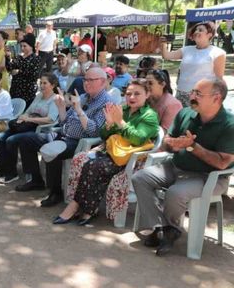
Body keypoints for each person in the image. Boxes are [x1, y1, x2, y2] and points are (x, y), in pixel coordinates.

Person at [132, 79, 234, 256]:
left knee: (175, 193)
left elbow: (222, 162)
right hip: (175, 167)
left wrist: (193, 147)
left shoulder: (229, 125)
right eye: (193, 92)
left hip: (209, 177)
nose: (192, 97)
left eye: (198, 94)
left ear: (217, 98)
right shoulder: (185, 113)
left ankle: (167, 230)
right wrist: (172, 144)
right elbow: (167, 141)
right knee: (140, 178)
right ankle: (163, 228)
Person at [54, 79, 159, 225]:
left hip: (131, 158)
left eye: (137, 94)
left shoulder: (149, 115)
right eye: (129, 94)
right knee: (83, 160)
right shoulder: (123, 109)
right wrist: (109, 124)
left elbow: (139, 139)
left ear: (147, 94)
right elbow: (103, 135)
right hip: (113, 152)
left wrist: (120, 123)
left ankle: (75, 207)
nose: (132, 97)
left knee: (94, 166)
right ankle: (89, 209)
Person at [14, 67, 111, 207]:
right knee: (25, 139)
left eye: (91, 80)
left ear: (102, 82)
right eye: (85, 79)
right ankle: (36, 180)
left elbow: (94, 131)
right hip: (62, 134)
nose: (86, 83)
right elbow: (65, 121)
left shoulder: (106, 102)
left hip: (79, 142)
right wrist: (61, 107)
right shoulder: (83, 97)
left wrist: (78, 110)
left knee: (53, 151)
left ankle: (55, 193)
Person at [0, 73, 60, 183]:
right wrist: (23, 117)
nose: (42, 86)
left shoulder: (55, 99)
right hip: (25, 126)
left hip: (39, 129)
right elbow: (28, 111)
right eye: (41, 83)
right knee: (0, 137)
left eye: (45, 83)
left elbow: (50, 119)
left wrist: (30, 119)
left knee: (11, 140)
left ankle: (12, 173)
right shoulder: (39, 96)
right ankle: (4, 170)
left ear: (52, 85)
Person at [160, 21, 226, 107]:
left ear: (210, 34)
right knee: (180, 119)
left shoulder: (218, 53)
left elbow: (219, 79)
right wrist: (163, 44)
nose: (196, 32)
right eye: (195, 30)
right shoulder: (186, 50)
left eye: (200, 30)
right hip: (181, 93)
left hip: (201, 96)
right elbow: (166, 56)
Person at [5, 33, 41, 108]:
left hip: (27, 92)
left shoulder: (36, 58)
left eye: (25, 46)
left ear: (31, 46)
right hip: (15, 90)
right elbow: (9, 68)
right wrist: (7, 57)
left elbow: (34, 75)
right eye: (21, 46)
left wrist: (18, 71)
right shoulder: (19, 57)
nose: (22, 48)